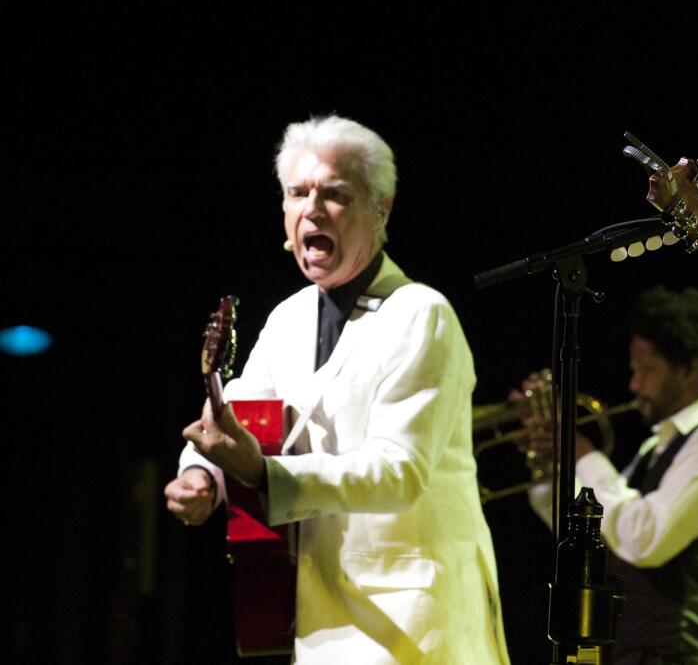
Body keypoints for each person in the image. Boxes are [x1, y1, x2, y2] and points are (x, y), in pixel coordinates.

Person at [163, 115, 510, 664]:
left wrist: (262, 473)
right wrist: (200, 474)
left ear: (382, 207)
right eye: (297, 193)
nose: (312, 209)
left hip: (414, 625)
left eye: (335, 194)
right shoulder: (288, 318)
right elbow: (242, 416)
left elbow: (400, 471)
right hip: (320, 621)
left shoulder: (422, 313)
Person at [521, 286, 698, 665]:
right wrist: (548, 464)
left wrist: (581, 452)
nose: (634, 385)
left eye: (646, 370)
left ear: (689, 368)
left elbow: (643, 540)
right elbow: (599, 530)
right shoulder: (660, 445)